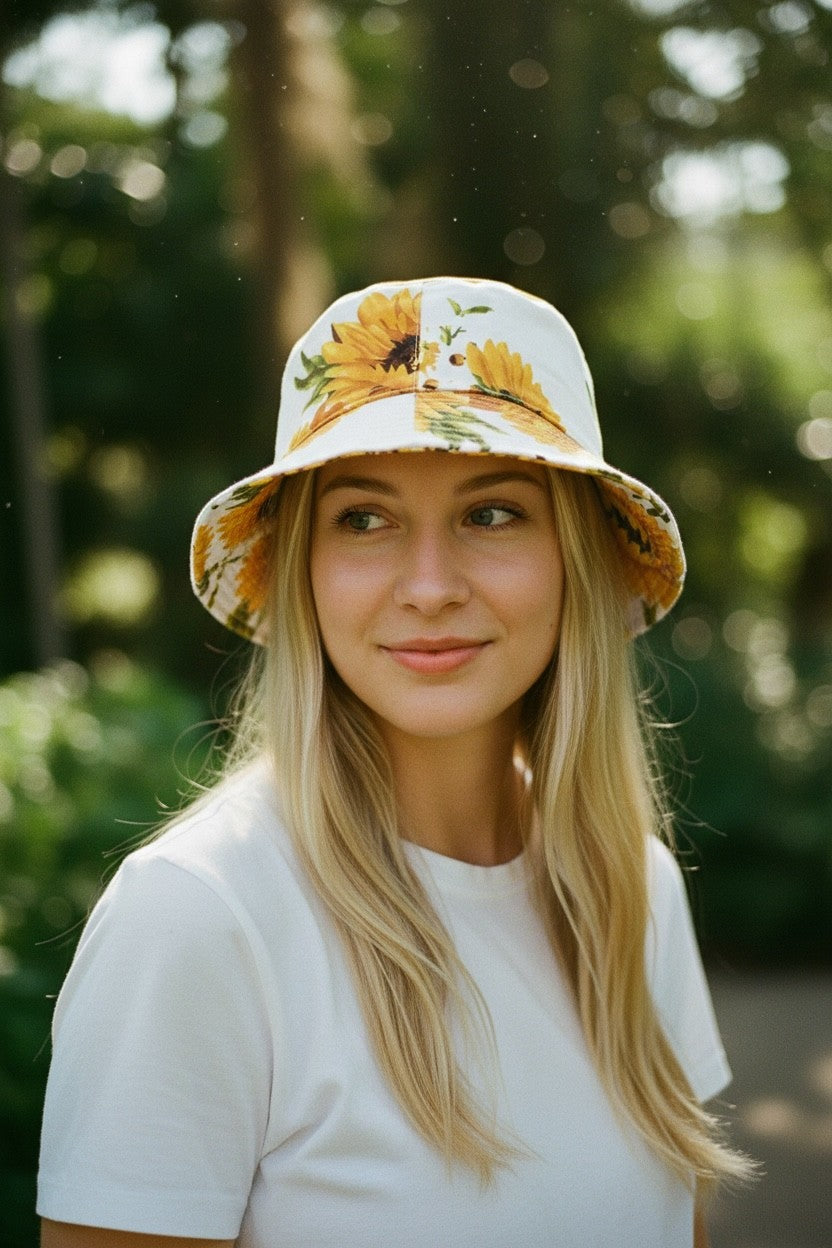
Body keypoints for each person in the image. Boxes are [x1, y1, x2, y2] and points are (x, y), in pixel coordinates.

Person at [38, 278, 749, 1248]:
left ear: (576, 558)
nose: (427, 588)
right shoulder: (200, 917)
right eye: (363, 519)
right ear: (303, 570)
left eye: (491, 513)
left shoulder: (631, 890)